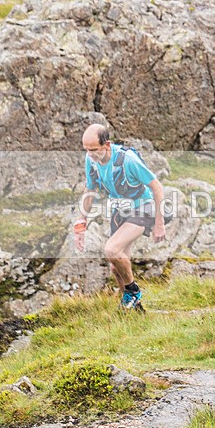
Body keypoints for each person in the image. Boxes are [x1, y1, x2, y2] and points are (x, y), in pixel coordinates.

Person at [74, 124, 167, 311]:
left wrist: (160, 223)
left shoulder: (128, 160)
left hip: (143, 207)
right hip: (120, 210)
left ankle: (133, 292)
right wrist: (81, 221)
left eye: (94, 150)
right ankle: (134, 308)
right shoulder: (90, 159)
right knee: (116, 267)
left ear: (106, 144)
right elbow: (90, 189)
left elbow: (157, 187)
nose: (90, 154)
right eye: (86, 150)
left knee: (111, 250)